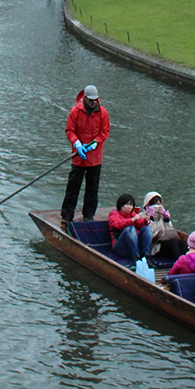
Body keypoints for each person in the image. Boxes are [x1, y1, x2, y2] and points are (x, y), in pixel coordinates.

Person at [61, 85, 110, 227]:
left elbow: (105, 131)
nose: (94, 103)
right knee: (73, 186)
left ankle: (89, 215)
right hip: (79, 157)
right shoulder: (75, 111)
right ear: (85, 98)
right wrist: (77, 144)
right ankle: (67, 215)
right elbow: (70, 130)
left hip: (95, 158)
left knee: (92, 188)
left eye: (95, 100)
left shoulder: (103, 113)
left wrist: (96, 142)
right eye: (91, 100)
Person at [108, 193, 152, 261]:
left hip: (135, 245)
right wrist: (132, 220)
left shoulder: (133, 214)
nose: (129, 207)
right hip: (121, 247)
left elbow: (140, 224)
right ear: (121, 205)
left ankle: (146, 255)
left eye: (131, 205)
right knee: (130, 229)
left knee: (147, 229)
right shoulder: (114, 214)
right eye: (127, 205)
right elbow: (117, 224)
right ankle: (136, 257)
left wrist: (145, 221)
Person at [141, 192, 181, 259]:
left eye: (159, 204)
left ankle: (186, 262)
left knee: (180, 242)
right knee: (173, 242)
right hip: (155, 247)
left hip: (165, 241)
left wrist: (167, 220)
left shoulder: (162, 216)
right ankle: (179, 262)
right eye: (154, 204)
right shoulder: (143, 216)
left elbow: (170, 231)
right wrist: (152, 219)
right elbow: (150, 234)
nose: (157, 206)